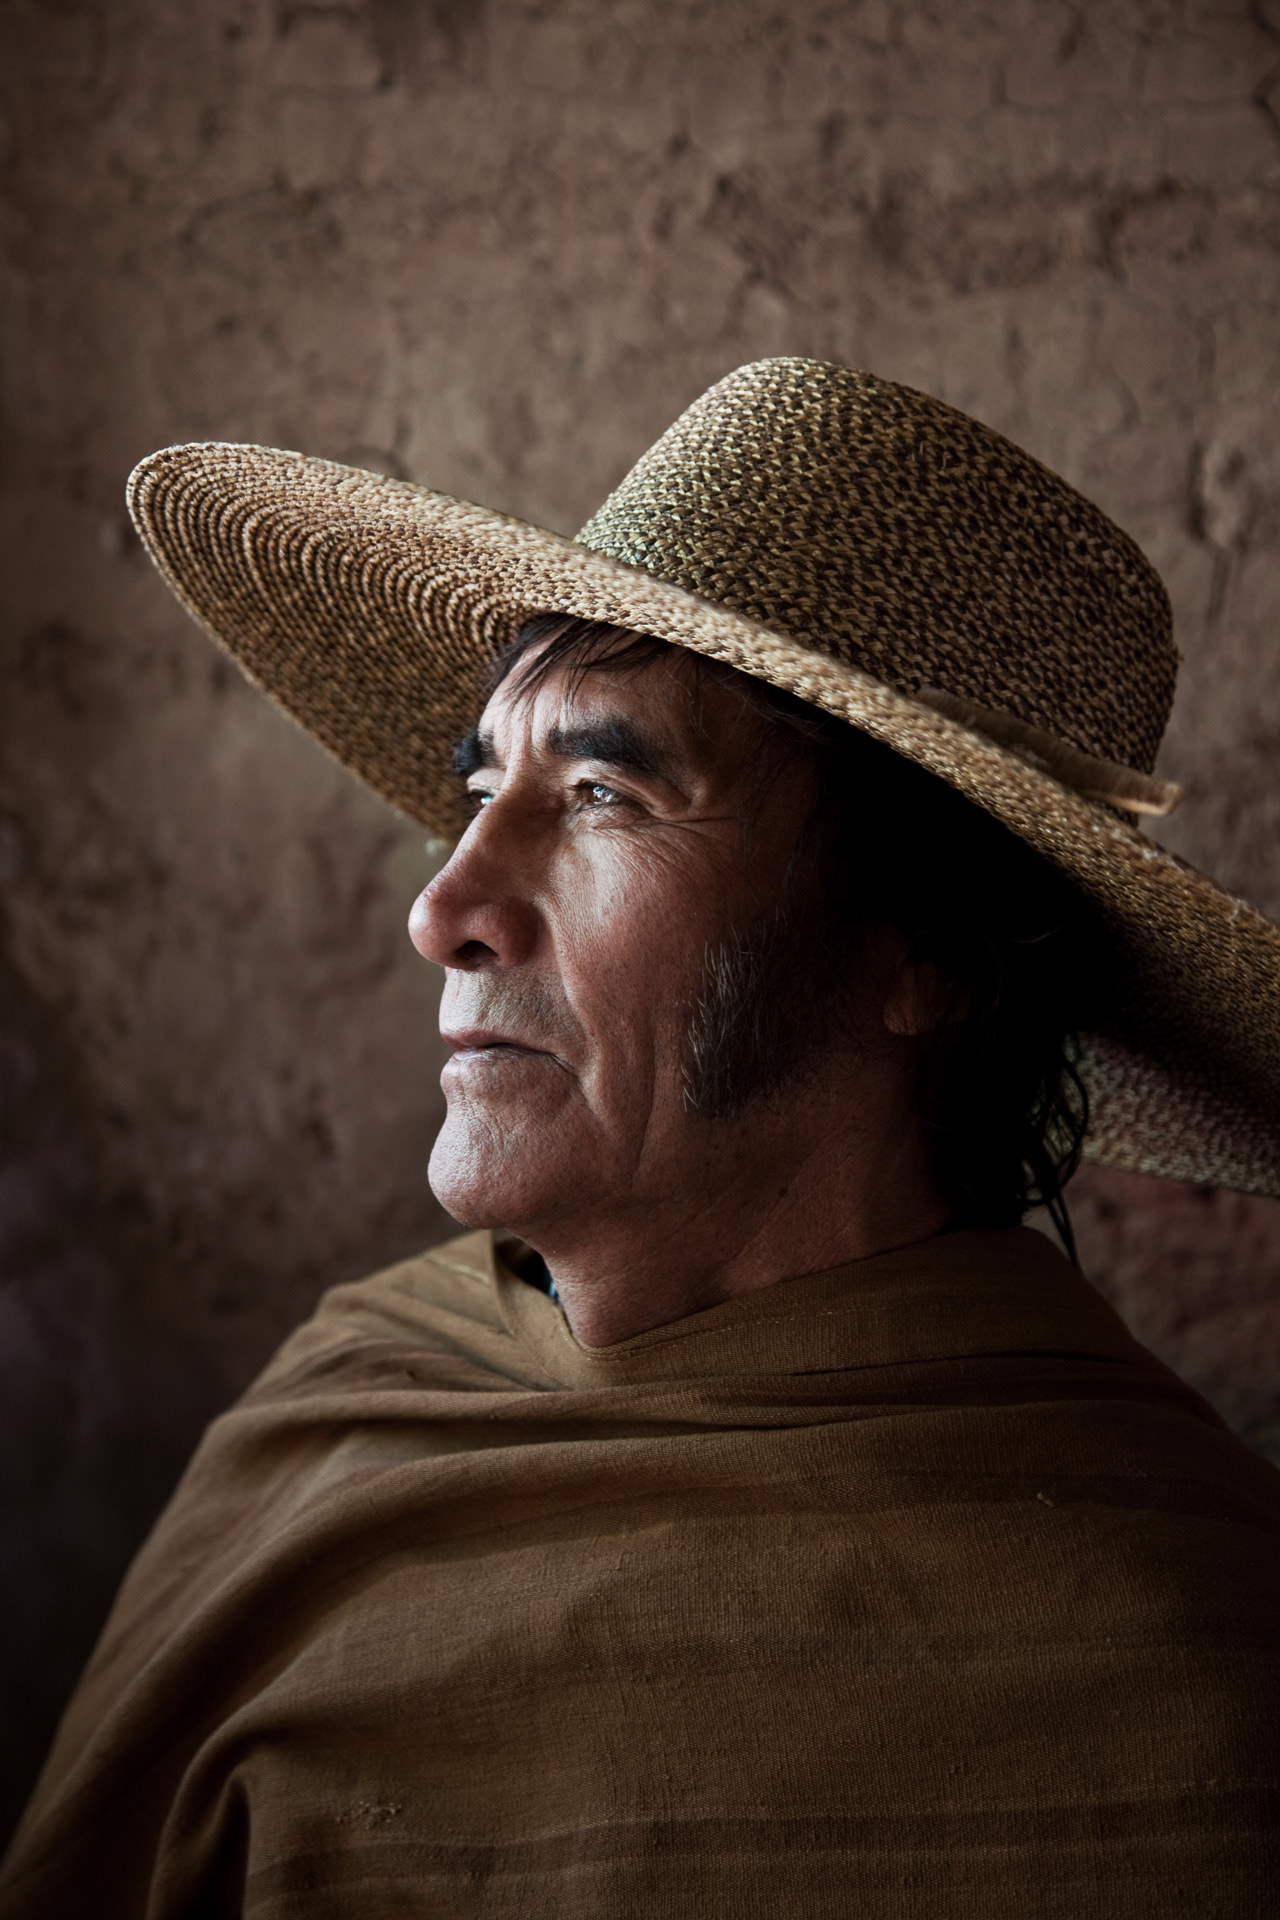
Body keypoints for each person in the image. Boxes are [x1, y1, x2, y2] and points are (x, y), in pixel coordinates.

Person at [3, 359, 1279, 1916]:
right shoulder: (348, 1410)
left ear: (925, 953)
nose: (444, 912)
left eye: (602, 792)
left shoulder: (1205, 1668)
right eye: (479, 792)